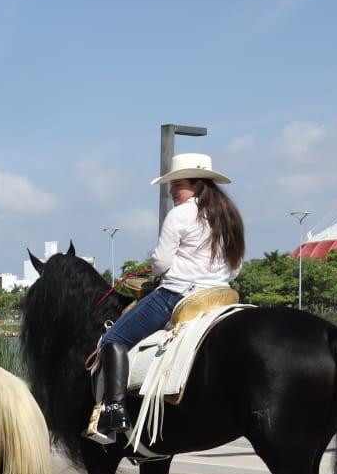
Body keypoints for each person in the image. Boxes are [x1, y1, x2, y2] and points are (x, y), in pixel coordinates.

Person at [90, 152, 246, 444]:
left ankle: (115, 410)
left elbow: (161, 263)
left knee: (114, 339)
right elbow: (236, 265)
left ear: (197, 184)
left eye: (178, 185)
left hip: (177, 295)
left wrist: (160, 269)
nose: (172, 191)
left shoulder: (181, 214)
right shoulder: (228, 213)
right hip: (220, 295)